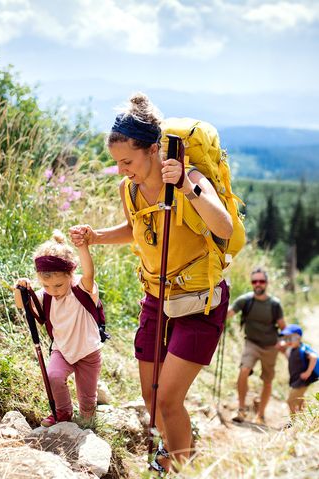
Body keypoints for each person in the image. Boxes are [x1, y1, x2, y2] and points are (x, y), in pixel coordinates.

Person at [70, 92, 233, 473]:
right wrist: (96, 236)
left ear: (154, 149)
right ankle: (171, 457)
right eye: (117, 163)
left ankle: (181, 467)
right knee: (150, 396)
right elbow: (136, 228)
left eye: (128, 160)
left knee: (169, 400)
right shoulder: (129, 189)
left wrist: (190, 190)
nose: (122, 169)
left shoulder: (189, 179)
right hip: (156, 298)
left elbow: (223, 226)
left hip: (199, 301)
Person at [14, 230, 102, 427]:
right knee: (53, 376)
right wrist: (19, 288)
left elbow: (89, 272)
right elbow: (21, 304)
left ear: (71, 274)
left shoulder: (81, 288)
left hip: (88, 352)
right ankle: (63, 412)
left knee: (87, 397)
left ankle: (88, 420)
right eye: (46, 285)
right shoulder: (46, 296)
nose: (53, 290)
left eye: (58, 285)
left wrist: (83, 247)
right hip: (62, 349)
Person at [226, 267, 286, 425]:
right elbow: (229, 313)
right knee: (244, 370)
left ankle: (260, 414)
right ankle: (241, 409)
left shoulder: (274, 304)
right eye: (255, 281)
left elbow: (284, 327)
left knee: (267, 381)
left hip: (270, 346)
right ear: (252, 283)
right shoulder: (245, 300)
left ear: (267, 283)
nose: (258, 284)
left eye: (261, 281)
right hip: (251, 343)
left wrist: (284, 341)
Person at [278, 324, 318, 416]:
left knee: (290, 400)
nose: (288, 341)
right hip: (296, 379)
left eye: (291, 338)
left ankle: (293, 420)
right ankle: (303, 417)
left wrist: (308, 372)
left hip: (302, 381)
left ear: (298, 337)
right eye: (287, 338)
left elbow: (314, 357)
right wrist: (283, 351)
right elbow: (292, 361)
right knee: (300, 401)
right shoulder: (292, 350)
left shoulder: (302, 349)